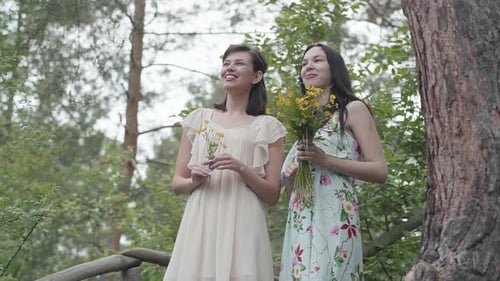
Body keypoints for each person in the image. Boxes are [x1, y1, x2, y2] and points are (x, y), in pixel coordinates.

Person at [163, 43, 286, 281]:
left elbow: (272, 195)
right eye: (226, 63)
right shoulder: (199, 119)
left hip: (244, 221)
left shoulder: (268, 127)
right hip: (201, 218)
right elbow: (177, 183)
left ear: (256, 76)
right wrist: (194, 180)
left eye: (239, 63)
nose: (230, 68)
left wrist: (240, 167)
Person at [279, 43, 388, 280]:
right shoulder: (304, 121)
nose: (308, 66)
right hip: (300, 219)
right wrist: (291, 178)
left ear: (335, 68)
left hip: (336, 213)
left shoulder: (353, 110)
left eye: (317, 60)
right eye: (304, 63)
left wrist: (325, 159)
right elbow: (293, 195)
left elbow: (380, 171)